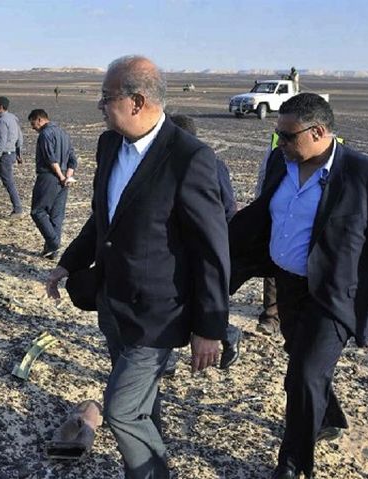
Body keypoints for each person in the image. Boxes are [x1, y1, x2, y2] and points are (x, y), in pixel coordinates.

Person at [45, 56, 230, 477]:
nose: (99, 106)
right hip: (113, 303)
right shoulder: (109, 144)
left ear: (136, 101)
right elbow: (101, 217)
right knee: (142, 403)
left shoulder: (189, 158)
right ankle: (149, 461)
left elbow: (211, 250)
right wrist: (68, 263)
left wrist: (210, 327)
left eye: (105, 98)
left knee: (121, 410)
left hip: (157, 314)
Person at [229, 93, 368, 478]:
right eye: (277, 135)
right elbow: (261, 216)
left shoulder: (367, 175)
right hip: (289, 288)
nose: (280, 144)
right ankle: (326, 417)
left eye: (287, 136)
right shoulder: (283, 163)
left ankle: (293, 464)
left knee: (303, 376)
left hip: (335, 296)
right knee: (302, 364)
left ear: (318, 132)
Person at [168, 113, 242, 370]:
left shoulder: (208, 162)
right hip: (179, 245)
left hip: (203, 245)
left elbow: (227, 205)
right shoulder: (169, 162)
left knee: (193, 298)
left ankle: (228, 333)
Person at [27, 109, 76, 259]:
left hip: (49, 177)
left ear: (40, 119)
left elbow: (50, 158)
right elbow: (73, 159)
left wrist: (61, 176)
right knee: (56, 216)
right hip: (63, 179)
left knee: (38, 211)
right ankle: (51, 252)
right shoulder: (64, 133)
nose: (33, 127)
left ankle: (54, 244)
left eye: (33, 123)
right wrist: (68, 175)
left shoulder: (45, 134)